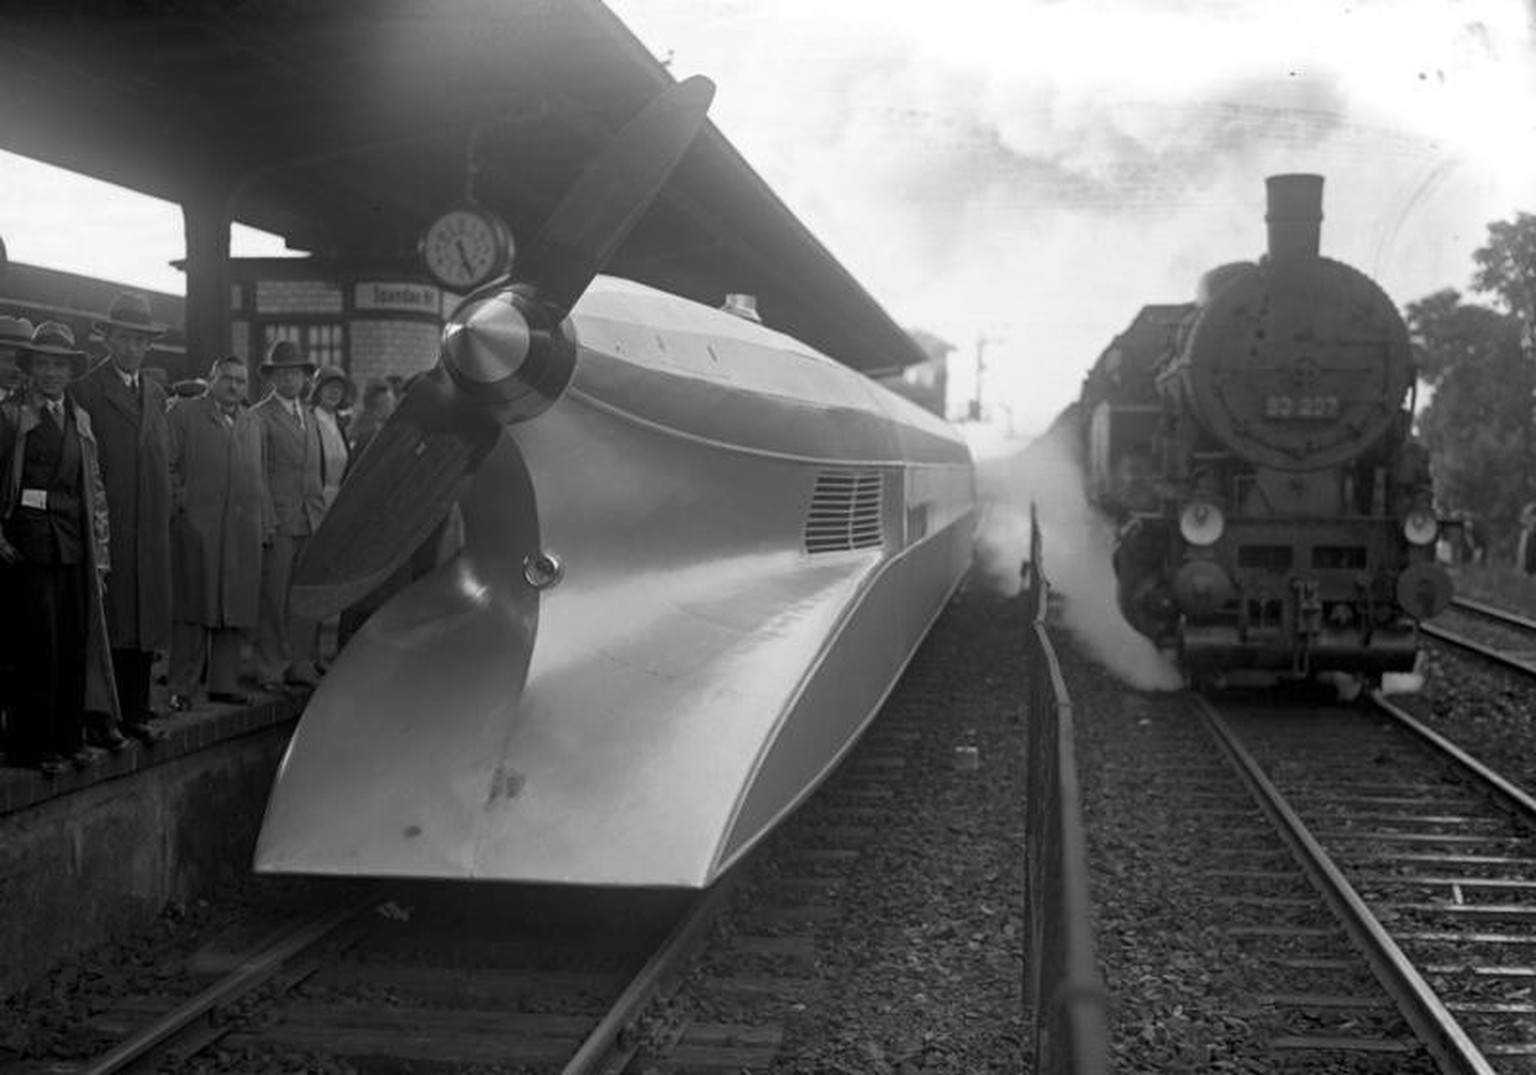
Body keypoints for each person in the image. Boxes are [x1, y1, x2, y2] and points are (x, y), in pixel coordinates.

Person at [0, 323, 122, 773]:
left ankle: (69, 739)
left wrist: (101, 555)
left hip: (72, 545)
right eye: (43, 364)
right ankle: (32, 747)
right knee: (36, 647)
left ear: (71, 371)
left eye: (59, 365)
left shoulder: (80, 419)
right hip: (26, 546)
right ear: (30, 368)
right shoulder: (10, 416)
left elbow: (95, 488)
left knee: (72, 643)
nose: (51, 373)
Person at [71, 291, 173, 743]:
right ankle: (100, 716)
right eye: (125, 338)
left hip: (148, 526)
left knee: (142, 619)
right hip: (109, 524)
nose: (133, 347)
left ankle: (135, 710)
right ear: (108, 339)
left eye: (140, 340)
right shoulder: (86, 391)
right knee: (109, 620)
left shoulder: (154, 392)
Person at [165, 357, 272, 710]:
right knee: (193, 607)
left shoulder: (252, 421)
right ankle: (182, 686)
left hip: (242, 528)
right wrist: (181, 503)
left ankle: (223, 684)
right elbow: (166, 464)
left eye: (240, 380)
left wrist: (263, 523)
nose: (233, 386)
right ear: (211, 379)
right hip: (198, 526)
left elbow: (261, 475)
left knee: (233, 607)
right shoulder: (184, 413)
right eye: (226, 378)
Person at [253, 339, 326, 690]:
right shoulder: (259, 416)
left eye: (295, 372)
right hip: (279, 522)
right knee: (273, 597)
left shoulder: (309, 414)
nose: (290, 379)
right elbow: (257, 474)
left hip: (311, 518)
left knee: (304, 596)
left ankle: (300, 663)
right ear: (271, 377)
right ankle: (270, 669)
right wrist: (266, 519)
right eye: (282, 373)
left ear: (305, 376)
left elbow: (315, 472)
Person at [309, 366, 354, 510]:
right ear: (318, 390)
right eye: (329, 387)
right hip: (313, 503)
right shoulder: (308, 422)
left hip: (338, 504)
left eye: (339, 388)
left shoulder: (341, 425)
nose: (334, 392)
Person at [346, 377, 395, 462]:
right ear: (377, 410)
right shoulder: (368, 435)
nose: (393, 409)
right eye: (389, 405)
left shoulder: (358, 426)